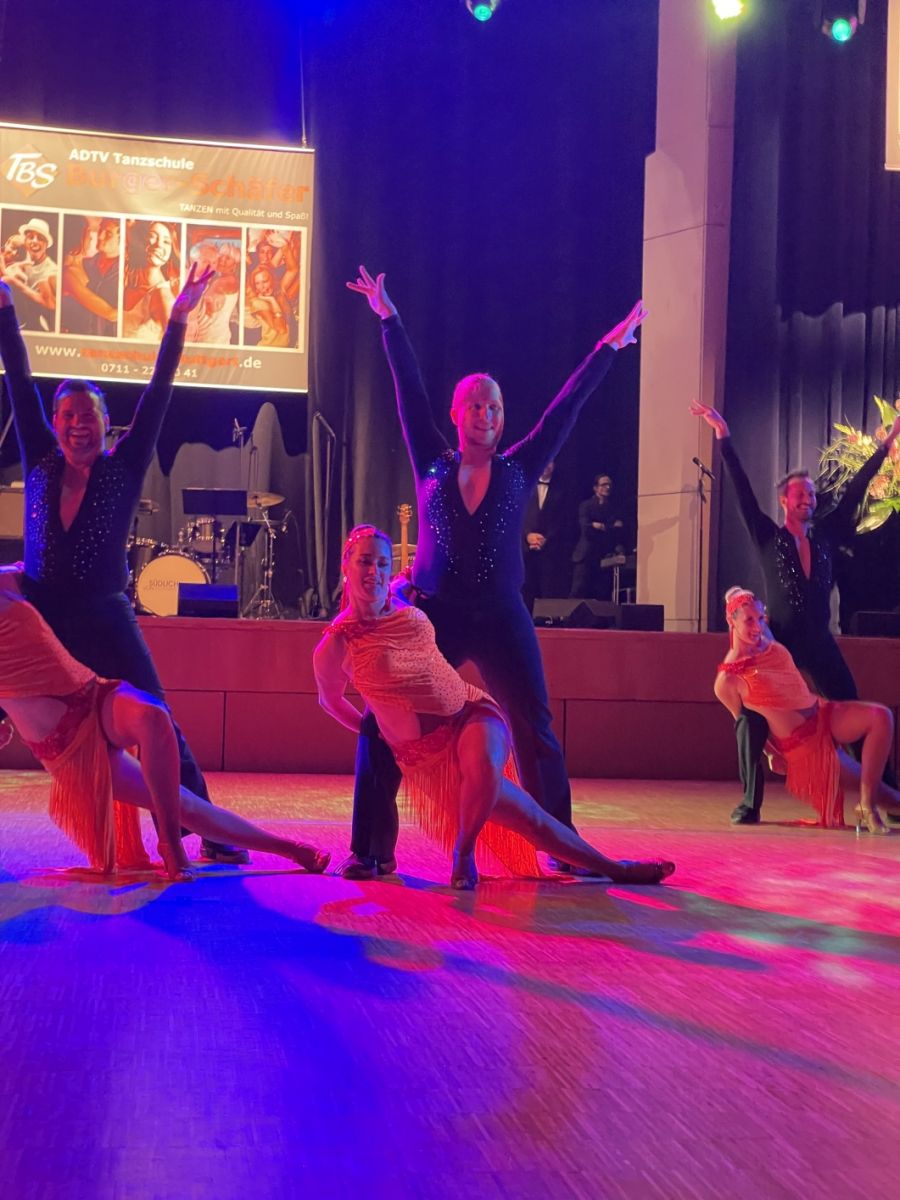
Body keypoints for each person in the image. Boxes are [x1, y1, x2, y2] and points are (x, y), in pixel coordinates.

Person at [342, 265, 646, 880]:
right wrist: (389, 319)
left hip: (503, 615)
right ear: (458, 414)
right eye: (476, 405)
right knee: (383, 722)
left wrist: (608, 349)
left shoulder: (519, 467)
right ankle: (370, 850)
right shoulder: (431, 462)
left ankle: (563, 848)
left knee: (535, 727)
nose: (485, 414)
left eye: (494, 407)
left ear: (502, 418)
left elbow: (565, 410)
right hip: (436, 614)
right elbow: (409, 392)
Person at [0, 266, 246, 864]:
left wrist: (178, 319)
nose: (77, 425)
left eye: (87, 415)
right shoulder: (40, 458)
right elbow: (21, 380)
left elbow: (160, 391)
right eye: (67, 416)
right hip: (43, 614)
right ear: (55, 423)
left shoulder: (124, 466)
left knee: (157, 715)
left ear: (105, 423)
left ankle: (210, 830)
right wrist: (5, 307)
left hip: (106, 614)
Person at [313, 527, 674, 889]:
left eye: (382, 563)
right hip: (429, 755)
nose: (374, 571)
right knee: (533, 820)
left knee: (485, 764)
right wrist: (377, 730)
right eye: (364, 562)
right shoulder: (336, 644)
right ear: (346, 566)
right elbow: (330, 701)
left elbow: (423, 571)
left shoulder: (400, 594)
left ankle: (464, 852)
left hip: (469, 712)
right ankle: (616, 868)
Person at [0, 566, 330, 881]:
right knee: (184, 803)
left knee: (154, 716)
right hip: (62, 740)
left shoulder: (10, 579)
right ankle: (289, 848)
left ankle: (170, 842)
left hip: (93, 696)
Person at [691, 399, 900, 825]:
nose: (808, 499)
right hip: (778, 643)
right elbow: (742, 492)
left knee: (852, 707)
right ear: (784, 501)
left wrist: (888, 444)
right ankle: (750, 802)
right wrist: (723, 437)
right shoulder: (768, 537)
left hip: (819, 641)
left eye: (811, 494)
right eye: (800, 494)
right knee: (752, 717)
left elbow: (857, 488)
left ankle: (889, 796)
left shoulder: (826, 534)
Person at [714, 587, 900, 833]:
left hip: (823, 715)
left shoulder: (765, 639)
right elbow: (746, 724)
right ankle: (876, 804)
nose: (757, 626)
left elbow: (741, 598)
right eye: (749, 620)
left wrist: (737, 595)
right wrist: (771, 754)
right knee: (893, 800)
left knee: (881, 716)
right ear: (731, 621)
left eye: (761, 617)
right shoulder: (727, 681)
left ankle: (866, 806)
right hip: (807, 748)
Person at [521, 460, 570, 612]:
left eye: (550, 462)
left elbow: (563, 520)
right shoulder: (525, 486)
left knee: (548, 592)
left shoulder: (562, 490)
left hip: (550, 550)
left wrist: (545, 539)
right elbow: (517, 516)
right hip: (525, 549)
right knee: (526, 591)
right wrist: (528, 536)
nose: (546, 465)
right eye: (544, 461)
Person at [570, 473, 628, 600]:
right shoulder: (586, 505)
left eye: (609, 485)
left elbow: (617, 528)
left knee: (601, 592)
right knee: (579, 589)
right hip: (586, 554)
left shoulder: (612, 508)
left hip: (603, 554)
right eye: (604, 485)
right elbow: (586, 528)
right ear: (595, 488)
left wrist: (601, 526)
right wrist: (605, 527)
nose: (607, 487)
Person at [62, 217, 121, 337]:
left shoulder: (128, 271)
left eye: (108, 234)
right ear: (78, 239)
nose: (98, 237)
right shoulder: (71, 272)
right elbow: (110, 313)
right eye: (88, 234)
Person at [123, 220, 180, 341]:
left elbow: (174, 343)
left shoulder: (162, 294)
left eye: (166, 242)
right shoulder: (127, 277)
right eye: (152, 236)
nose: (159, 245)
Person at [1, 218, 57, 332]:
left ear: (46, 244)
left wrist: (16, 283)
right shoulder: (22, 260)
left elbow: (51, 304)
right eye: (31, 237)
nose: (34, 241)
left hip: (36, 328)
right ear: (25, 240)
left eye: (40, 238)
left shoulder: (49, 270)